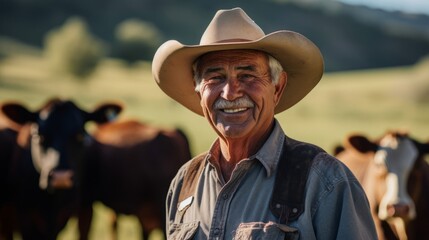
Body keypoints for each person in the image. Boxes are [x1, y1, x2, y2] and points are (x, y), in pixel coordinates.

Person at [152, 7, 377, 240]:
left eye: (247, 74)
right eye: (215, 77)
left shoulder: (325, 181)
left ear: (277, 88)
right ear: (199, 93)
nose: (229, 93)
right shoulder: (185, 182)